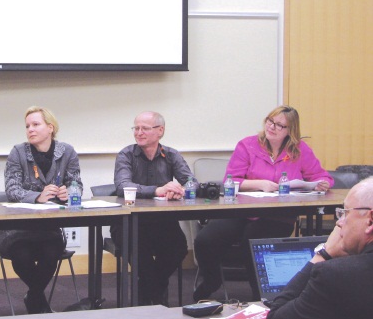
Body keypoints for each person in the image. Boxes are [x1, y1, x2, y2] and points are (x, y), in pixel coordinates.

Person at [193, 106, 334, 301]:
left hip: (277, 215)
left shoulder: (300, 149)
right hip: (241, 211)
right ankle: (211, 280)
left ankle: (260, 299)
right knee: (205, 240)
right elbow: (230, 181)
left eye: (280, 125)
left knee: (253, 242)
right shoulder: (248, 145)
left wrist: (322, 184)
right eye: (270, 121)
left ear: (290, 130)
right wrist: (259, 184)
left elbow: (322, 177)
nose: (272, 127)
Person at [0, 106, 83, 314]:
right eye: (27, 126)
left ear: (50, 128)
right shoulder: (18, 152)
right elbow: (12, 189)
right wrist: (37, 197)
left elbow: (77, 184)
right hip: (17, 228)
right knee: (22, 255)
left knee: (51, 252)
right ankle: (39, 303)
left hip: (48, 227)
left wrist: (68, 193)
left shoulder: (67, 151)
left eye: (36, 124)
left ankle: (33, 296)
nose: (30, 130)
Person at [111, 111, 196, 306]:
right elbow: (122, 186)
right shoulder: (126, 154)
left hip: (161, 221)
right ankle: (156, 295)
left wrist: (180, 190)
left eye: (145, 129)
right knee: (141, 255)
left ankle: (147, 292)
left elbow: (192, 182)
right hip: (129, 222)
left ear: (160, 131)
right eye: (136, 128)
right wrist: (158, 190)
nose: (139, 133)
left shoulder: (171, 154)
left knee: (179, 248)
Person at [268, 176, 373, 319]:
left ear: (370, 221)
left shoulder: (336, 275)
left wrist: (323, 254)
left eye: (346, 213)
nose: (340, 223)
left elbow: (277, 316)